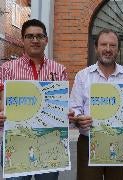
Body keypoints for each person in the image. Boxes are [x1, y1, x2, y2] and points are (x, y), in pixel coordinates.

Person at [0, 19, 68, 180]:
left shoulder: (59, 70)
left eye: (39, 36)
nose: (35, 40)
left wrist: (68, 113)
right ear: (22, 40)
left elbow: (62, 106)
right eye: (30, 36)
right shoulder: (6, 69)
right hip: (16, 142)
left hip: (49, 142)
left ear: (46, 40)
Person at [70, 29, 123, 180]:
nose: (108, 49)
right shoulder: (83, 76)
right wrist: (79, 118)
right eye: (103, 44)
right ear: (96, 48)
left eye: (112, 45)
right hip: (88, 143)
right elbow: (75, 108)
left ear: (118, 50)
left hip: (120, 142)